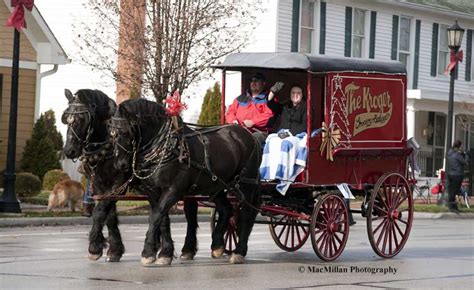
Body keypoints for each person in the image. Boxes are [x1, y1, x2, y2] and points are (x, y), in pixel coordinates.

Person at [259, 84, 308, 195]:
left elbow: (304, 125)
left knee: (285, 144)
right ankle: (267, 175)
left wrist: (290, 134)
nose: (296, 95)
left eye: (298, 93)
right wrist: (272, 91)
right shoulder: (286, 106)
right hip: (282, 133)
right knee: (271, 142)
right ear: (290, 95)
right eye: (293, 93)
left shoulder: (306, 107)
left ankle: (282, 175)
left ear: (302, 95)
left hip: (298, 136)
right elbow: (271, 104)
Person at [225, 72, 283, 144]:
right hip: (238, 130)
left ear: (263, 83)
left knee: (250, 141)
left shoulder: (268, 99)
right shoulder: (240, 98)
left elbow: (269, 115)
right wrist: (233, 120)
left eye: (256, 80)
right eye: (251, 81)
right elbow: (230, 112)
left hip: (259, 132)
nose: (253, 83)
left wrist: (253, 122)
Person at [446, 140, 469, 213]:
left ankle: (451, 206)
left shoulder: (449, 153)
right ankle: (453, 207)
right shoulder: (457, 155)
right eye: (461, 146)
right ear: (459, 146)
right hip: (457, 175)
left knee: (451, 191)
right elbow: (465, 162)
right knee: (454, 191)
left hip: (450, 174)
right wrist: (466, 155)